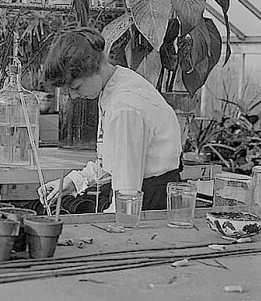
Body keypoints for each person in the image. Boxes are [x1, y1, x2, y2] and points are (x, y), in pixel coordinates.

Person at [36, 27, 182, 213]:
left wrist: (110, 226)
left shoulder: (125, 106)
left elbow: (127, 195)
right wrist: (73, 182)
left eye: (76, 87)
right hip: (142, 197)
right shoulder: (117, 83)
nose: (73, 97)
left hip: (148, 204)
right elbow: (115, 162)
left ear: (94, 68)